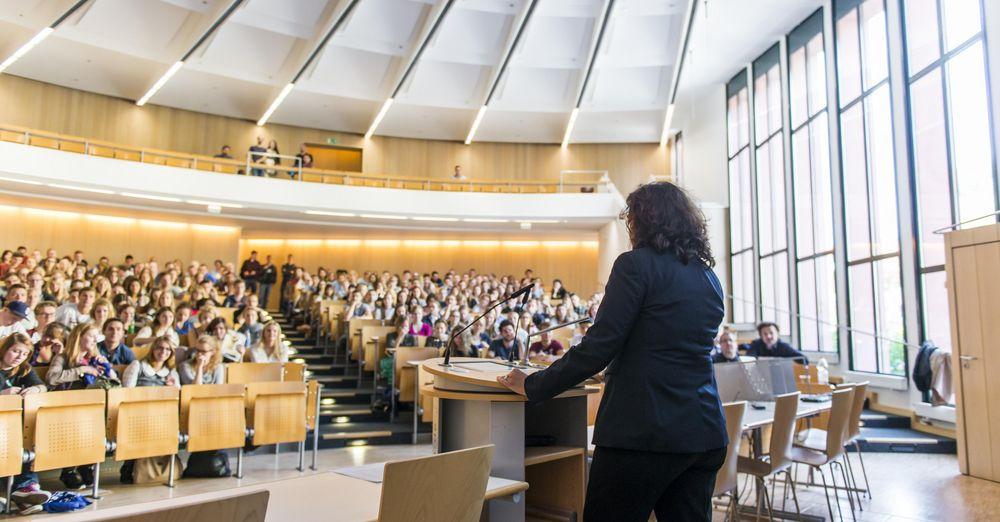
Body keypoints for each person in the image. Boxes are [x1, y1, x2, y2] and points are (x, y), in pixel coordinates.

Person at [497, 182, 728, 521]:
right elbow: (669, 344)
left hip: (643, 434)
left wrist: (533, 384)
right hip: (704, 431)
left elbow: (598, 347)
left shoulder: (635, 265)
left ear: (645, 221)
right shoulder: (708, 277)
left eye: (632, 219)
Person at [47, 323, 117, 489]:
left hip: (89, 407)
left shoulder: (95, 359)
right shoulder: (63, 358)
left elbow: (115, 382)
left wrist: (107, 367)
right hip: (66, 406)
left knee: (97, 422)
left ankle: (86, 466)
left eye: (95, 337)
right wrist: (81, 370)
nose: (94, 340)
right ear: (80, 336)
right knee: (78, 424)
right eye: (91, 336)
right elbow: (51, 378)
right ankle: (69, 470)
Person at [0, 333, 52, 513]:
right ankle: (21, 494)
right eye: (15, 351)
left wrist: (35, 388)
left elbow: (43, 386)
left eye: (24, 354)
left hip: (14, 425)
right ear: (5, 349)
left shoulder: (24, 369)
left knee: (27, 440)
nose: (19, 357)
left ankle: (26, 492)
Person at [742, 322, 807, 363]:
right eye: (765, 334)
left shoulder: (783, 346)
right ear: (760, 336)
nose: (769, 336)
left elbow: (804, 359)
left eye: (771, 333)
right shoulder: (756, 344)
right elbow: (748, 359)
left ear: (777, 334)